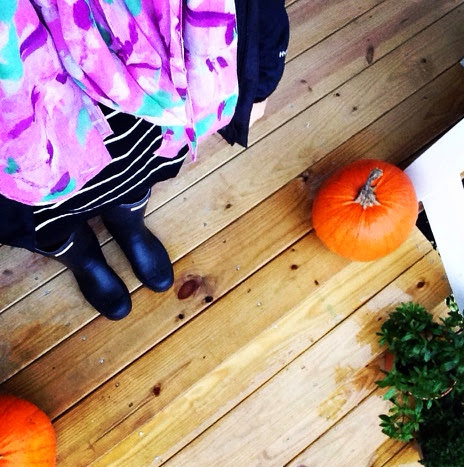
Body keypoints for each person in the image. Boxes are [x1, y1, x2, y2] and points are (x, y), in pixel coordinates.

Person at [0, 0, 289, 320]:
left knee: (139, 159)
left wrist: (262, 75)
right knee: (37, 205)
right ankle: (80, 257)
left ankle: (128, 223)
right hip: (15, 105)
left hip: (138, 52)